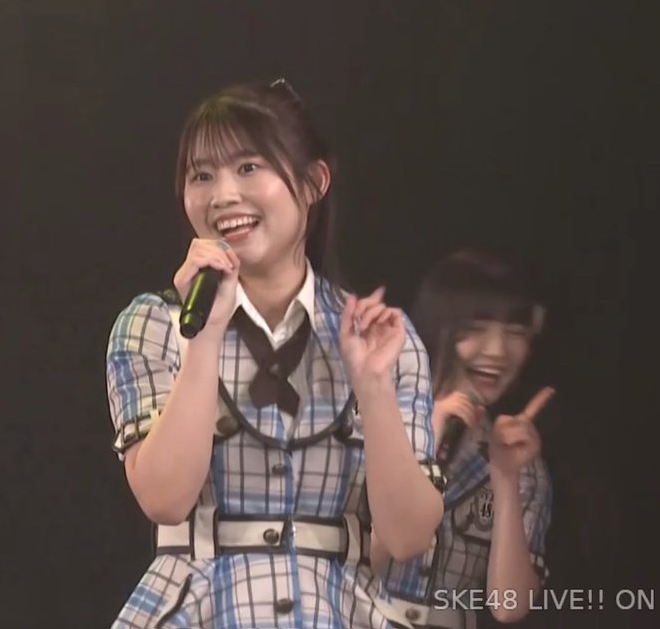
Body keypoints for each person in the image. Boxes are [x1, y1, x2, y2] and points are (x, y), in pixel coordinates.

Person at [104, 79, 445, 628]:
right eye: (201, 176)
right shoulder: (154, 324)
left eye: (248, 167)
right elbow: (165, 499)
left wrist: (374, 387)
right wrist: (204, 336)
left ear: (313, 183)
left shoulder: (381, 337)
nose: (223, 196)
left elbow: (408, 537)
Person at [372, 249, 554, 628]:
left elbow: (508, 606)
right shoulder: (373, 422)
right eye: (476, 328)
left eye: (515, 333)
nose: (497, 351)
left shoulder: (518, 458)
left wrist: (506, 477)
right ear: (438, 328)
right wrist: (423, 447)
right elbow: (344, 562)